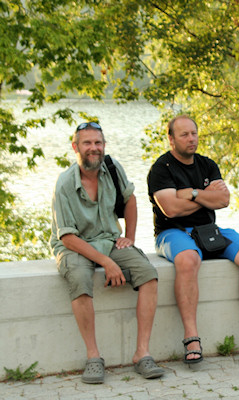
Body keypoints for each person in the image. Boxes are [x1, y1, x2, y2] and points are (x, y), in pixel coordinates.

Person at [147, 115, 239, 363]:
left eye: (194, 133)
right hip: (171, 232)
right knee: (188, 259)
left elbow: (224, 201)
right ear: (171, 138)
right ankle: (192, 336)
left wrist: (193, 193)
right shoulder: (160, 169)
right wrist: (205, 197)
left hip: (208, 231)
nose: (191, 139)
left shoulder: (207, 165)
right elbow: (171, 210)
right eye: (184, 134)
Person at [50, 122, 164, 384]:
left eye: (98, 143)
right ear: (75, 147)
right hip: (75, 245)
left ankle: (142, 353)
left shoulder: (112, 168)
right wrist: (107, 262)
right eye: (87, 143)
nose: (94, 148)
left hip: (110, 239)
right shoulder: (65, 182)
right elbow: (66, 236)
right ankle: (93, 357)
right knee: (79, 279)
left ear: (104, 145)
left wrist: (130, 237)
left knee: (148, 273)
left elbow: (131, 200)